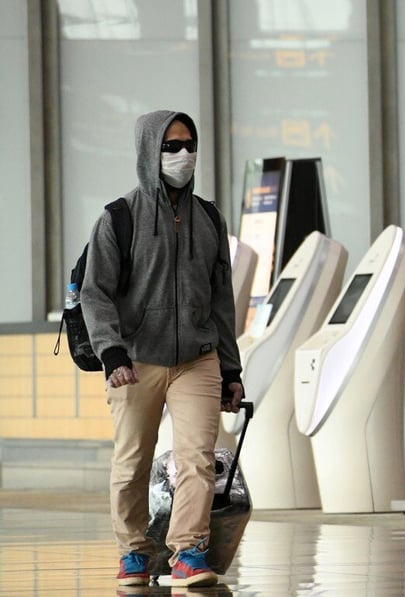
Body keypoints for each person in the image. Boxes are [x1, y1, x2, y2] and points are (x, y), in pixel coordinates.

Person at [81, 110, 244, 588]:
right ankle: (133, 552)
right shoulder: (119, 218)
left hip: (198, 357)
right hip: (135, 360)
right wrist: (111, 352)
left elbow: (221, 302)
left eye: (189, 144)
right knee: (132, 460)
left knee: (196, 457)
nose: (183, 155)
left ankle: (188, 553)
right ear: (149, 152)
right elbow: (95, 292)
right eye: (171, 147)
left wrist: (231, 370)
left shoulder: (210, 218)